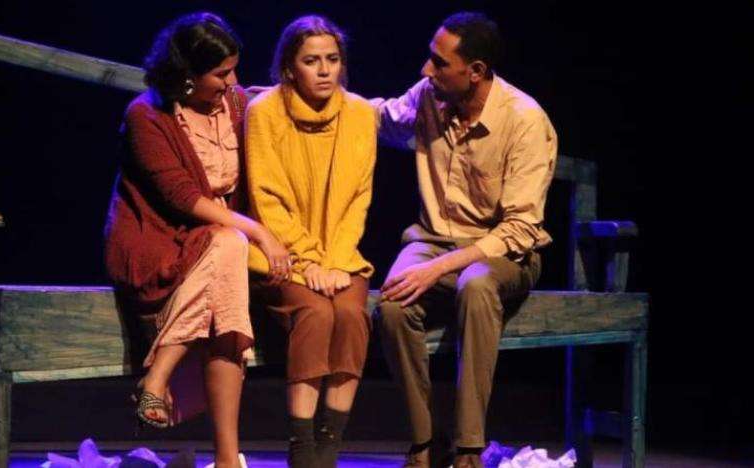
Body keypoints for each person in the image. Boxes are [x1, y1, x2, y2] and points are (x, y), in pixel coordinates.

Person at [104, 12, 289, 468]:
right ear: (187, 75)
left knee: (228, 307)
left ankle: (161, 381)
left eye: (235, 70)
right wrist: (258, 231)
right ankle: (225, 455)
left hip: (220, 243)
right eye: (222, 73)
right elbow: (181, 196)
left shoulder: (236, 104)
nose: (233, 82)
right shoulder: (147, 115)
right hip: (158, 240)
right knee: (230, 247)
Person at [373, 11, 558, 468]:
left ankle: (469, 447)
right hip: (434, 239)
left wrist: (438, 268)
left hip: (503, 251)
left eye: (440, 63)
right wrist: (299, 97)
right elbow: (380, 117)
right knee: (392, 303)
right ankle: (424, 442)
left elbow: (519, 229)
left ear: (475, 71)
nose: (426, 70)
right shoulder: (429, 96)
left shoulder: (524, 120)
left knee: (474, 285)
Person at [245, 15, 377, 468]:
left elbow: (359, 197)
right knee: (317, 313)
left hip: (340, 257)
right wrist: (309, 261)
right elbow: (266, 198)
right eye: (311, 61)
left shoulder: (360, 114)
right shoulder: (265, 112)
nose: (324, 70)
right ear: (289, 67)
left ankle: (330, 445)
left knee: (352, 315)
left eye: (332, 59)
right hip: (281, 254)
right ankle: (302, 446)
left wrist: (335, 261)